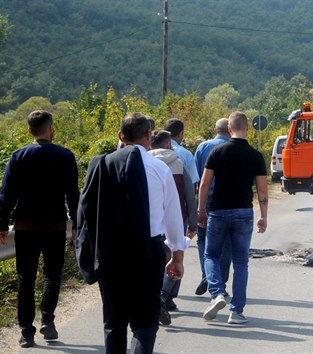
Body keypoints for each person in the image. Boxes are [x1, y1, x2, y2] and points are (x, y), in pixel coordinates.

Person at [77, 113, 186, 353]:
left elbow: (85, 212)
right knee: (145, 321)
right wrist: (177, 255)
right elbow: (173, 216)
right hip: (147, 252)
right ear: (149, 135)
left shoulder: (102, 165)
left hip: (110, 253)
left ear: (120, 136)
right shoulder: (159, 168)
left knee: (114, 323)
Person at [0, 110, 79, 348]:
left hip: (25, 227)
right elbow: (73, 195)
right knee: (52, 275)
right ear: (51, 128)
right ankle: (48, 320)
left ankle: (26, 332)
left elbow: (6, 195)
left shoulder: (19, 156)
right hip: (55, 226)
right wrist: (76, 224)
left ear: (29, 131)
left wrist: (2, 225)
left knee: (26, 278)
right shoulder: (65, 156)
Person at [197, 111, 268, 325]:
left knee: (211, 256)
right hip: (243, 212)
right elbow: (263, 192)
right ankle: (236, 312)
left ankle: (217, 293)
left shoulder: (217, 152)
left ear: (229, 128)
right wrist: (263, 217)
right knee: (241, 263)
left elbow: (204, 184)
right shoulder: (256, 155)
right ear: (247, 128)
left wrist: (201, 210)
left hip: (217, 211)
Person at [148, 130, 197, 323]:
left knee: (157, 261)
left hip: (152, 221)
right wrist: (193, 222)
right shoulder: (178, 163)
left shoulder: (144, 163)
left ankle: (158, 297)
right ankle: (164, 296)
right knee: (174, 258)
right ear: (168, 144)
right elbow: (189, 194)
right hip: (177, 218)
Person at [192, 118, 231, 296]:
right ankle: (220, 281)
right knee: (226, 241)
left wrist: (198, 207)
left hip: (207, 199)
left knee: (203, 239)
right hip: (229, 200)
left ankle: (206, 274)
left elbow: (197, 177)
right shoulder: (234, 147)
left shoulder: (202, 147)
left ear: (215, 129)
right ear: (229, 130)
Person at [164, 118, 199, 186]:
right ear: (180, 134)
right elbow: (192, 181)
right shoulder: (186, 154)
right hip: (180, 194)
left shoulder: (152, 151)